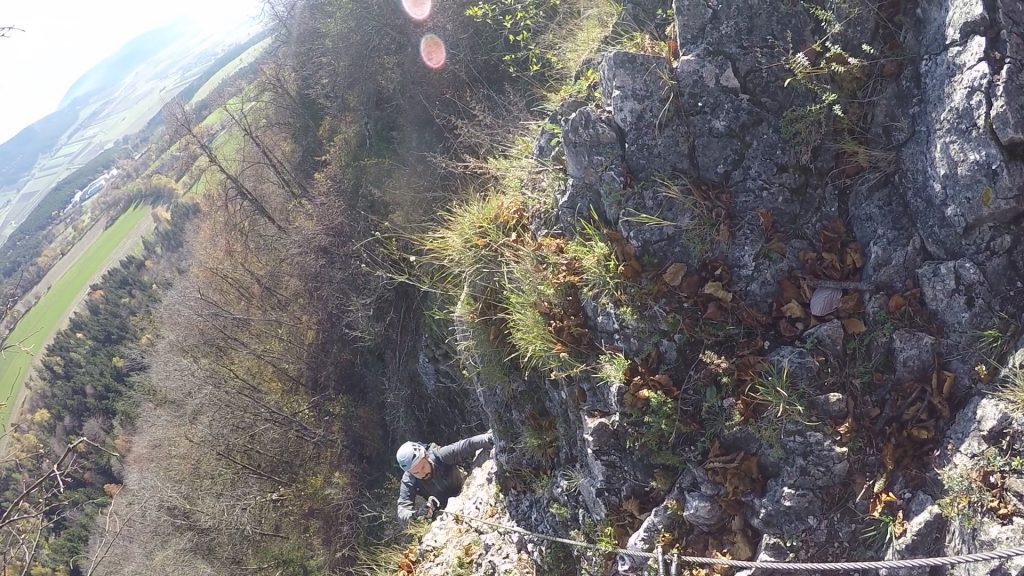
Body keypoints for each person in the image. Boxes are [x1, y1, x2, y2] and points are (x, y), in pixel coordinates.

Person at [395, 431, 494, 522]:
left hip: (466, 488)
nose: (422, 473)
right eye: (416, 472)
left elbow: (466, 445)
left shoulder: (439, 456)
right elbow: (403, 510)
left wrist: (488, 439)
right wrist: (415, 515)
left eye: (423, 467)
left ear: (426, 456)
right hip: (446, 510)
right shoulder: (409, 480)